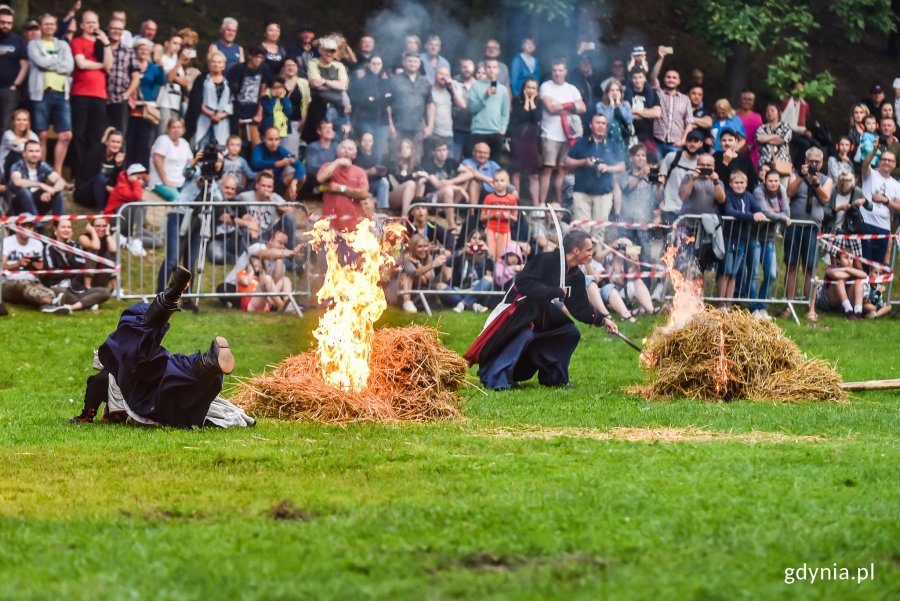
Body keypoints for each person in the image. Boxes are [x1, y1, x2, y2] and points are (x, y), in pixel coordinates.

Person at [464, 230, 618, 390]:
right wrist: (553, 291)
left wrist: (603, 319)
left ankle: (554, 376)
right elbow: (523, 283)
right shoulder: (545, 260)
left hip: (540, 312)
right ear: (576, 250)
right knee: (524, 334)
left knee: (570, 332)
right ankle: (496, 377)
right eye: (588, 250)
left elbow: (580, 307)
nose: (591, 254)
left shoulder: (576, 276)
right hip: (517, 309)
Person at [92, 267, 236, 428]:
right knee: (179, 369)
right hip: (153, 382)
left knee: (141, 354)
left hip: (148, 400)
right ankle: (208, 361)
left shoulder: (115, 373)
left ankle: (208, 362)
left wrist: (94, 412)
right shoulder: (119, 364)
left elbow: (102, 381)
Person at [783, 147, 833, 312]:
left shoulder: (826, 180)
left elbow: (825, 198)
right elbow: (789, 192)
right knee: (792, 266)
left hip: (813, 229)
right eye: (810, 161)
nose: (813, 164)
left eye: (816, 162)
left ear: (822, 163)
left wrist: (815, 182)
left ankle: (809, 306)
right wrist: (802, 177)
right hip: (794, 226)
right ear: (805, 161)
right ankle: (789, 306)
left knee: (810, 267)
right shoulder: (795, 175)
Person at [565, 113, 626, 242]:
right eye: (597, 123)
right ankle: (582, 262)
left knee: (599, 231)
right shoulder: (581, 143)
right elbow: (567, 162)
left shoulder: (612, 145)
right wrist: (584, 162)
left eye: (603, 123)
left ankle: (595, 261)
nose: (600, 126)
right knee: (582, 230)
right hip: (582, 193)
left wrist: (607, 168)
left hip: (603, 194)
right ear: (591, 125)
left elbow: (622, 166)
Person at [28, 13, 74, 176]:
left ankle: (57, 172)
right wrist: (58, 62)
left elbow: (69, 66)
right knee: (42, 134)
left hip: (61, 94)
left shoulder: (63, 45)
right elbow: (40, 63)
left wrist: (49, 62)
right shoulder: (33, 44)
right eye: (46, 24)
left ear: (56, 26)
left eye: (52, 24)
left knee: (66, 135)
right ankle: (40, 171)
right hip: (42, 94)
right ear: (40, 26)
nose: (49, 27)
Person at [69, 11, 113, 177]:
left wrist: (107, 44)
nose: (92, 26)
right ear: (82, 25)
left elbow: (109, 65)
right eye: (88, 23)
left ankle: (90, 172)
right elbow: (81, 63)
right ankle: (76, 173)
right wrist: (101, 65)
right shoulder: (77, 41)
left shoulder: (102, 44)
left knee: (95, 137)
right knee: (79, 135)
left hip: (99, 95)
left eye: (94, 22)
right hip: (80, 93)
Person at [745, 167, 791, 319]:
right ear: (765, 181)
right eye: (770, 181)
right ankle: (753, 308)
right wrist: (782, 218)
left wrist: (781, 216)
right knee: (754, 274)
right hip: (755, 236)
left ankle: (762, 305)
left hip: (769, 237)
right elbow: (764, 211)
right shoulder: (759, 191)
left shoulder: (781, 190)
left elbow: (787, 211)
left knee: (771, 274)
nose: (773, 184)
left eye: (776, 181)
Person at [39, 218, 111, 314]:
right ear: (56, 229)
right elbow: (51, 272)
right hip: (57, 286)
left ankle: (72, 307)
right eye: (63, 227)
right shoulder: (49, 248)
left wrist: (68, 252)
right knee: (62, 293)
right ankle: (85, 304)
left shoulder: (75, 246)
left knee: (105, 292)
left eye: (69, 227)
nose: (66, 229)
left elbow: (80, 264)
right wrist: (71, 271)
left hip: (76, 287)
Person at [718, 170, 768, 306]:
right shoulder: (728, 195)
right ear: (730, 183)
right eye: (736, 183)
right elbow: (730, 212)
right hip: (728, 237)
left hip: (742, 238)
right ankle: (721, 303)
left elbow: (758, 209)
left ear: (746, 184)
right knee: (726, 270)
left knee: (734, 272)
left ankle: (728, 304)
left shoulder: (749, 196)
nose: (739, 185)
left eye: (741, 183)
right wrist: (751, 216)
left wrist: (759, 213)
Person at [539, 58, 585, 205]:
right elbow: (550, 108)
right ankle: (541, 204)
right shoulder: (546, 86)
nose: (557, 73)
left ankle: (560, 203)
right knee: (547, 169)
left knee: (562, 170)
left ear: (565, 71)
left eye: (560, 70)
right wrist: (572, 107)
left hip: (569, 135)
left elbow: (583, 108)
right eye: (554, 70)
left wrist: (562, 105)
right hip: (550, 133)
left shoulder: (572, 89)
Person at [126, 39, 167, 169]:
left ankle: (141, 170)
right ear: (136, 50)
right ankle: (127, 168)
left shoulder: (153, 67)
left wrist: (161, 68)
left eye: (146, 49)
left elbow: (162, 82)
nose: (143, 51)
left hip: (147, 109)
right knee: (129, 139)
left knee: (144, 141)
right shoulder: (130, 65)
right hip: (131, 106)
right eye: (140, 49)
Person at [1, 218, 57, 309]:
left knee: (49, 292)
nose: (27, 229)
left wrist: (39, 269)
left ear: (33, 229)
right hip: (10, 281)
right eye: (24, 226)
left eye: (30, 226)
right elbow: (1, 266)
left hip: (32, 280)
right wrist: (18, 264)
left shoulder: (38, 244)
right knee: (24, 285)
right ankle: (52, 303)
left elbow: (41, 275)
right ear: (17, 227)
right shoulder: (7, 242)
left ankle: (48, 306)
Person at [648, 47, 693, 159]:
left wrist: (683, 140)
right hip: (658, 141)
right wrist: (661, 58)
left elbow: (689, 122)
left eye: (674, 78)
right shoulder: (659, 93)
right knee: (656, 171)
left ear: (679, 81)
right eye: (668, 77)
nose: (671, 80)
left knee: (673, 172)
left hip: (676, 143)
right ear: (664, 79)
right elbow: (653, 77)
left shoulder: (685, 99)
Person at [860, 143, 900, 267]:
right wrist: (874, 150)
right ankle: (860, 286)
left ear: (894, 164)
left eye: (890, 160)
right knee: (862, 263)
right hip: (866, 223)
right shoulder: (870, 174)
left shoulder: (896, 185)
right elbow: (865, 164)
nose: (887, 162)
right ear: (879, 161)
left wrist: (885, 200)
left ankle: (872, 286)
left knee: (876, 266)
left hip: (883, 228)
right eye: (884, 159)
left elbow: (898, 208)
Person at [316, 138, 369, 231]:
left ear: (355, 155)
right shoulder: (328, 166)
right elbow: (320, 178)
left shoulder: (360, 171)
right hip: (330, 224)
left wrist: (341, 188)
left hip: (352, 225)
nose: (346, 151)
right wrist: (337, 162)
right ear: (337, 151)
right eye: (343, 148)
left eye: (350, 149)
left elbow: (364, 193)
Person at [388, 51, 434, 155]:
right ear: (404, 63)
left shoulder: (425, 82)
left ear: (419, 63)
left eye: (415, 61)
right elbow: (387, 105)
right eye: (409, 61)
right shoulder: (394, 80)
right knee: (396, 157)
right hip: (398, 127)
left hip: (418, 128)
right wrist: (390, 125)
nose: (412, 64)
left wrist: (430, 126)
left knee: (416, 159)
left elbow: (430, 104)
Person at [226, 45, 270, 148]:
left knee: (256, 144)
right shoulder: (238, 69)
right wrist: (235, 115)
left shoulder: (265, 68)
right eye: (257, 57)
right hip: (237, 109)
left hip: (254, 110)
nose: (259, 60)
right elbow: (231, 92)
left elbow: (263, 92)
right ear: (250, 56)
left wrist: (259, 113)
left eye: (261, 57)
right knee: (236, 143)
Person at [657, 129, 704, 223]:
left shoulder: (702, 162)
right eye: (690, 141)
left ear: (701, 144)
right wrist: (660, 202)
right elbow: (661, 182)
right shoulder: (672, 157)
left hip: (690, 212)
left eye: (696, 141)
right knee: (669, 237)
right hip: (670, 207)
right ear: (685, 142)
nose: (692, 144)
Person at [350, 54, 390, 162]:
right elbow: (357, 100)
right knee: (366, 147)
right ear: (369, 65)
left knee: (379, 151)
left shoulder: (386, 81)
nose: (376, 66)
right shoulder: (361, 81)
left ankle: (376, 172)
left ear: (382, 65)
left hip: (382, 121)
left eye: (378, 64)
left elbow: (390, 101)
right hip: (365, 120)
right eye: (374, 64)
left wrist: (373, 99)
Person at [467, 58, 509, 160]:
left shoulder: (503, 89)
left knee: (494, 165)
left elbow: (505, 112)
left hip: (496, 132)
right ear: (485, 69)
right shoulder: (476, 86)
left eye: (494, 67)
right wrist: (485, 96)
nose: (491, 70)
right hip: (479, 131)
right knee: (476, 163)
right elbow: (472, 109)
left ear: (498, 70)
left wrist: (503, 128)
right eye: (489, 67)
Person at [8, 140, 65, 216]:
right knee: (24, 191)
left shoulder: (42, 165)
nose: (34, 154)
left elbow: (61, 181)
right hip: (19, 205)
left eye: (37, 151)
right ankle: (38, 226)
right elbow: (17, 182)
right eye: (31, 151)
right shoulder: (17, 165)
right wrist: (41, 185)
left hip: (37, 201)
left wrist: (51, 191)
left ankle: (58, 224)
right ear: (24, 153)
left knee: (59, 193)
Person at [73, 127, 125, 210]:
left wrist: (119, 165)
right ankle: (101, 210)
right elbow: (89, 176)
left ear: (121, 144)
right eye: (113, 141)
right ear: (107, 142)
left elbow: (119, 181)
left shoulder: (120, 156)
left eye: (118, 142)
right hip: (86, 192)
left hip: (105, 192)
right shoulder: (96, 151)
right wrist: (107, 186)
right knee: (100, 178)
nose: (115, 145)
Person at [508, 77, 541, 206]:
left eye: (533, 88)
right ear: (523, 88)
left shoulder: (539, 103)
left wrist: (532, 102)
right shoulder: (516, 101)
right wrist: (526, 102)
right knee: (516, 173)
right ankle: (516, 203)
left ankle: (536, 205)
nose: (530, 90)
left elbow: (537, 118)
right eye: (528, 87)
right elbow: (521, 117)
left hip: (532, 140)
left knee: (534, 175)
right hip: (518, 139)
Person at [105, 15, 140, 135]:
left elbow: (136, 76)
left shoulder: (128, 51)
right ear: (108, 29)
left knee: (119, 135)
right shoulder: (101, 47)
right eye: (113, 28)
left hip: (119, 99)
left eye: (119, 29)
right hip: (101, 98)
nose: (116, 32)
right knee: (99, 135)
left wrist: (127, 94)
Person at [191, 51, 233, 148]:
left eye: (219, 62)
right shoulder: (201, 80)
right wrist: (210, 114)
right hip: (204, 117)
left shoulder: (229, 82)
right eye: (213, 62)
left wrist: (222, 115)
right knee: (202, 148)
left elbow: (232, 102)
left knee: (221, 148)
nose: (216, 65)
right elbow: (196, 99)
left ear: (224, 65)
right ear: (209, 64)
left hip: (222, 119)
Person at [149, 116, 193, 201]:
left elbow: (191, 162)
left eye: (179, 127)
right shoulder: (163, 140)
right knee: (177, 199)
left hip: (180, 183)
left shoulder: (184, 143)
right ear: (168, 129)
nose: (176, 130)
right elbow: (157, 160)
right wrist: (165, 180)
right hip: (161, 183)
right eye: (173, 127)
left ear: (183, 130)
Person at [812, 252, 866, 320]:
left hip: (841, 302)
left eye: (851, 258)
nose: (849, 261)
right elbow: (836, 275)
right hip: (827, 301)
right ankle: (848, 311)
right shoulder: (832, 268)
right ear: (838, 260)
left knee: (859, 281)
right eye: (846, 258)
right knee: (839, 280)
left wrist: (846, 269)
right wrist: (851, 272)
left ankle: (858, 312)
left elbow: (864, 275)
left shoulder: (851, 269)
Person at [480, 169, 518, 265]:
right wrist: (493, 215)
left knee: (502, 256)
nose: (499, 183)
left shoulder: (512, 199)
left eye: (502, 180)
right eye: (496, 181)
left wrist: (508, 216)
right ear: (493, 182)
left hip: (505, 230)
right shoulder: (489, 198)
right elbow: (482, 217)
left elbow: (515, 218)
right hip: (491, 229)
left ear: (507, 182)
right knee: (490, 255)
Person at [0, 4, 27, 138]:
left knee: (5, 126)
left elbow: (24, 65)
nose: (6, 25)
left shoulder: (18, 41)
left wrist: (15, 85)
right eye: (3, 22)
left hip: (9, 90)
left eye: (9, 23)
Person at [756, 103, 793, 186]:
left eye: (772, 110)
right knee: (763, 188)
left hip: (782, 163)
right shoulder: (761, 127)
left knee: (784, 189)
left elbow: (783, 140)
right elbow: (759, 138)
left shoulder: (785, 126)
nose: (769, 113)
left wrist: (767, 138)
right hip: (765, 164)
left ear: (778, 113)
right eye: (767, 111)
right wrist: (776, 136)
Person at [0, 108, 39, 182]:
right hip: (4, 170)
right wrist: (25, 140)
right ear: (13, 122)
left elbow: (37, 150)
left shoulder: (33, 135)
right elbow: (20, 149)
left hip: (25, 168)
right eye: (18, 120)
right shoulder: (8, 134)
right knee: (18, 155)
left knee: (33, 155)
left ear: (28, 122)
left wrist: (20, 141)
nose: (22, 122)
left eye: (24, 120)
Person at [594, 79, 634, 152]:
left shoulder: (625, 104)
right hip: (607, 138)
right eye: (612, 90)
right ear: (607, 92)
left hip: (623, 140)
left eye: (617, 90)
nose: (615, 93)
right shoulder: (600, 105)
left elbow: (629, 120)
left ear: (621, 92)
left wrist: (619, 104)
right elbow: (606, 121)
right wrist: (611, 105)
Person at [79, 216, 117, 290]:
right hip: (83, 278)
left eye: (104, 226)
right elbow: (96, 247)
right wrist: (93, 232)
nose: (101, 229)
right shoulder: (83, 237)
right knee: (92, 251)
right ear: (91, 227)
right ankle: (87, 287)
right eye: (97, 226)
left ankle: (115, 289)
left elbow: (114, 249)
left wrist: (108, 233)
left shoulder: (107, 238)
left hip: (101, 276)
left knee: (112, 252)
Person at [736, 90, 763, 167]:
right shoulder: (733, 115)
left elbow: (759, 135)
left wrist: (749, 147)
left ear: (753, 102)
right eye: (744, 99)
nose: (747, 101)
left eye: (750, 99)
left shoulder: (757, 117)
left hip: (751, 152)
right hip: (733, 149)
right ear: (740, 100)